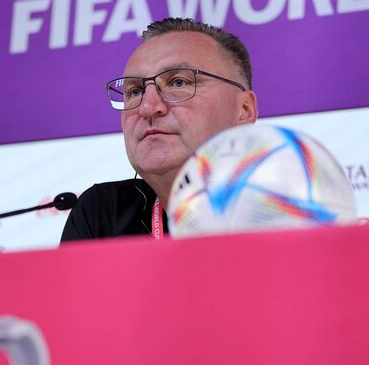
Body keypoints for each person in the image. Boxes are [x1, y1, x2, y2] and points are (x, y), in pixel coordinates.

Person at [61, 17, 258, 241]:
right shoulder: (103, 215)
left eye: (178, 82)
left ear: (243, 109)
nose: (147, 107)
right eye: (135, 91)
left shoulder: (295, 203)